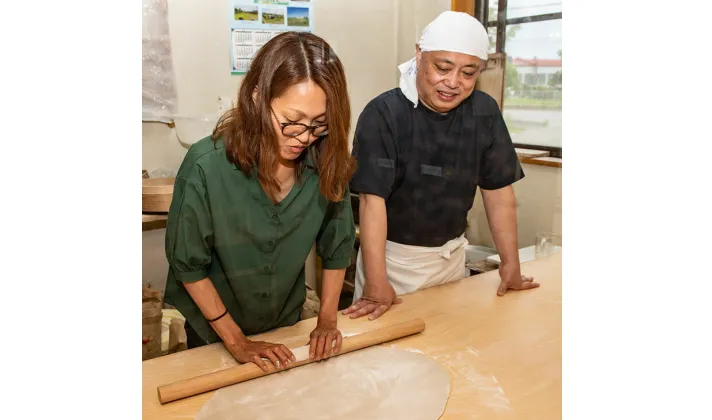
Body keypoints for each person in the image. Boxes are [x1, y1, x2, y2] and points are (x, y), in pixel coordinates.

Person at [163, 31, 357, 371]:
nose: (304, 138)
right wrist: (237, 342)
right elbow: (188, 266)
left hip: (284, 322)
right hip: (211, 331)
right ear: (257, 97)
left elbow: (337, 246)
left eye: (319, 125)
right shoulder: (205, 166)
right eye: (291, 122)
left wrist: (327, 319)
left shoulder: (326, 161)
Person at [343, 11, 540, 321]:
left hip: (451, 262)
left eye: (468, 73)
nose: (453, 82)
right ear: (419, 55)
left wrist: (510, 264)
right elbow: (371, 201)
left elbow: (499, 194)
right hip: (393, 266)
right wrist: (377, 281)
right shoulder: (384, 114)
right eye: (443, 67)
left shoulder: (484, 112)